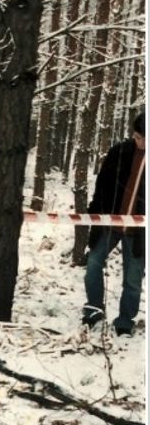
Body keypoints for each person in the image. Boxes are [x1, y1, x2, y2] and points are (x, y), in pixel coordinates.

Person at [82, 111, 146, 337]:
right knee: (92, 265)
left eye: (142, 137)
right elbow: (103, 185)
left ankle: (125, 322)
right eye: (136, 136)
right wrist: (95, 213)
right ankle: (93, 310)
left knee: (133, 278)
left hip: (139, 233)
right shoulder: (120, 152)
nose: (138, 140)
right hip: (108, 224)